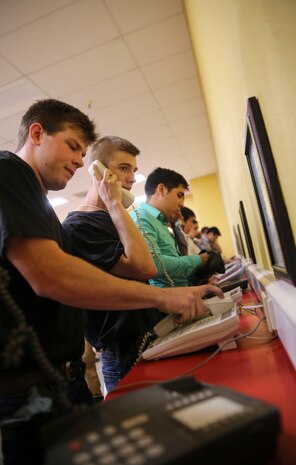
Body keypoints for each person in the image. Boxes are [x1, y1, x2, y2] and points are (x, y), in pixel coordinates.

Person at [0, 99, 223, 465]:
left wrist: (178, 292)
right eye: (73, 146)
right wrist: (165, 299)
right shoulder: (9, 171)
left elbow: (135, 269)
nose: (78, 160)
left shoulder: (44, 211)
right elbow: (50, 275)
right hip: (30, 391)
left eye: (84, 152)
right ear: (37, 133)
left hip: (62, 381)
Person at [63, 136, 162, 393]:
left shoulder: (115, 218)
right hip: (122, 351)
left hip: (145, 337)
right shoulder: (79, 227)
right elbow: (145, 267)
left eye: (134, 170)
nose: (131, 178)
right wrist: (116, 203)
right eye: (124, 168)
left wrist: (116, 208)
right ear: (99, 171)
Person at [130, 167, 209, 288]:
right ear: (161, 189)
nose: (182, 204)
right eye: (179, 195)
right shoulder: (141, 218)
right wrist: (198, 260)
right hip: (166, 303)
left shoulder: (161, 223)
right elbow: (153, 263)